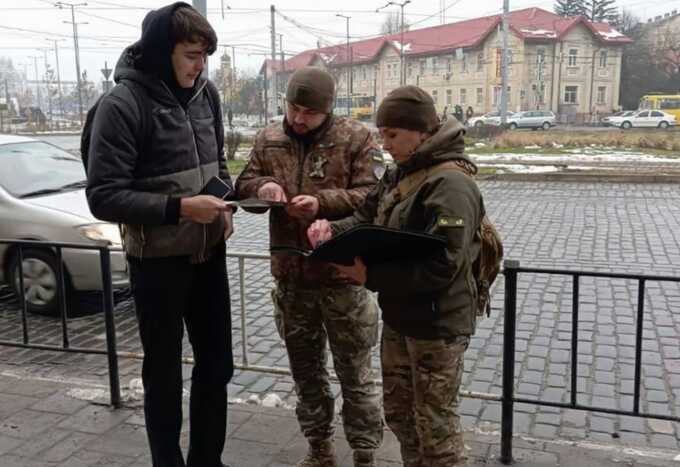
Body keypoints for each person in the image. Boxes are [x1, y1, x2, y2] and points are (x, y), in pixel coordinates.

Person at [85, 3, 234, 466]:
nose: (200, 65)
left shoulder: (206, 95)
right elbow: (104, 196)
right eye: (191, 54)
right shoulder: (122, 105)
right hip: (157, 262)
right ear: (159, 51)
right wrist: (182, 208)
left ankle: (207, 460)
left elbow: (220, 163)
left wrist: (226, 199)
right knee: (164, 374)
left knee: (217, 366)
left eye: (205, 55)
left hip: (209, 255)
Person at [308, 85, 485, 467]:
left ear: (421, 131)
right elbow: (365, 217)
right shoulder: (400, 173)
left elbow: (444, 264)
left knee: (436, 430)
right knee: (403, 418)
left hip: (438, 324)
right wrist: (330, 231)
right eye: (381, 133)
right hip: (401, 317)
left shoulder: (450, 184)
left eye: (391, 134)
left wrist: (369, 274)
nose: (384, 144)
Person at [235, 66, 384, 467]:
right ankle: (319, 450)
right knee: (306, 375)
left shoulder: (356, 138)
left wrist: (323, 203)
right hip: (292, 279)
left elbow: (374, 196)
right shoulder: (269, 137)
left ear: (328, 110)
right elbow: (243, 185)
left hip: (342, 281)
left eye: (310, 113)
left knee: (356, 375)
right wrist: (261, 189)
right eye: (294, 108)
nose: (299, 119)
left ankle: (365, 454)